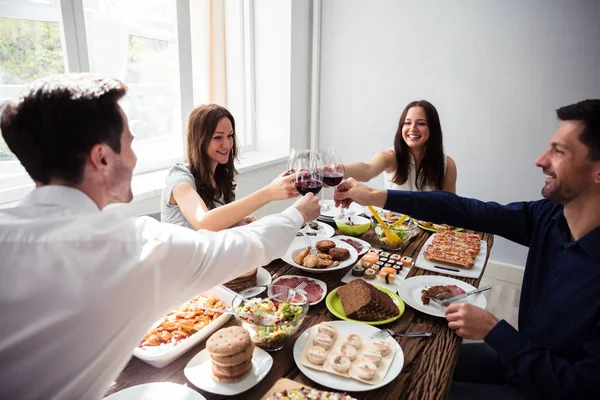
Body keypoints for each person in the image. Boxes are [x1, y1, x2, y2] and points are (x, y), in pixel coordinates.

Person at [0, 74, 320, 399]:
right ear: (102, 157)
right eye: (131, 143)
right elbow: (248, 246)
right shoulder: (139, 247)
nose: (136, 158)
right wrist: (297, 213)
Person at [333, 99, 600, 399]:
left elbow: (582, 386)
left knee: (419, 391)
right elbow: (463, 209)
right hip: (523, 355)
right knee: (413, 360)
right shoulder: (548, 217)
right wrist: (375, 195)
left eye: (559, 151)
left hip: (550, 388)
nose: (540, 160)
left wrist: (495, 331)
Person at [161, 104, 297, 230]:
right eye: (218, 138)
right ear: (199, 140)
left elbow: (214, 229)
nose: (227, 144)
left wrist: (234, 223)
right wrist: (269, 193)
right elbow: (204, 222)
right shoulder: (179, 178)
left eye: (230, 135)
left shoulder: (218, 177)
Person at [343, 100, 457, 193]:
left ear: (433, 128)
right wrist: (336, 170)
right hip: (392, 221)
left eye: (421, 123)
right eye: (407, 123)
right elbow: (367, 170)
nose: (412, 128)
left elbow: (450, 208)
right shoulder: (390, 156)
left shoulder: (447, 164)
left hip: (430, 222)